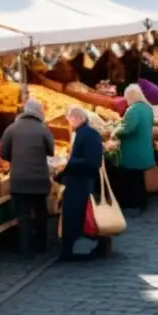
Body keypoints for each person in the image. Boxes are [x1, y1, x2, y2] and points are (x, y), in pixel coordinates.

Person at [0, 98, 55, 254]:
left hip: (19, 180)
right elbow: (51, 151)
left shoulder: (11, 128)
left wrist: (16, 159)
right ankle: (41, 245)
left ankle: (25, 247)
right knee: (40, 212)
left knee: (23, 215)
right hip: (39, 180)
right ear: (39, 112)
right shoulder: (44, 129)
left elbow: (3, 152)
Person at [57, 106, 110, 260]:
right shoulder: (84, 133)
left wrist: (70, 162)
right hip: (78, 181)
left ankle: (69, 251)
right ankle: (71, 249)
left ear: (79, 118)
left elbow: (92, 162)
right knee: (75, 216)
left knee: (75, 216)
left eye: (70, 119)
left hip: (81, 183)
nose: (69, 123)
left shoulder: (89, 134)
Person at [113, 84, 156, 212]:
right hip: (144, 150)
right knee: (139, 177)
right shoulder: (147, 108)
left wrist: (115, 131)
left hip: (132, 151)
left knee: (129, 178)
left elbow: (127, 128)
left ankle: (130, 203)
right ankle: (142, 201)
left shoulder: (133, 110)